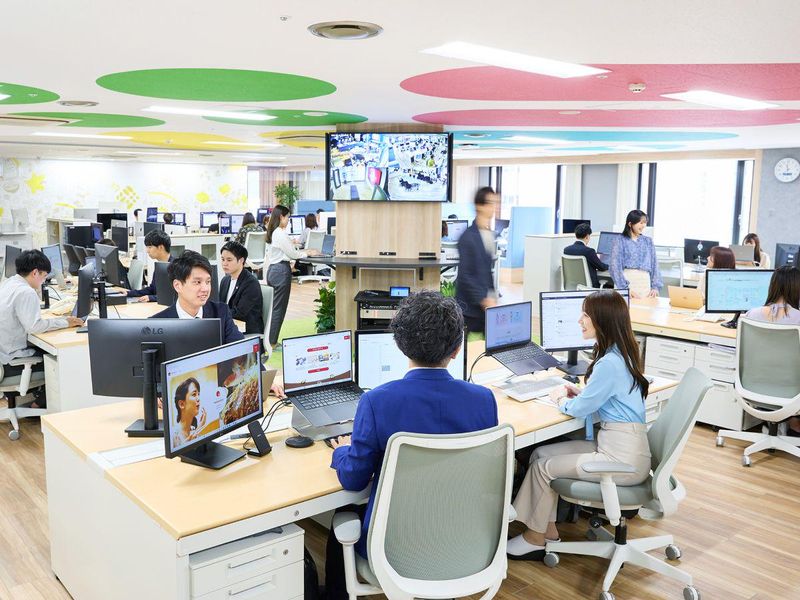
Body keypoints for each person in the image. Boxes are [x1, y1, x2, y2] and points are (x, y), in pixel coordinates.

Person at [325, 290, 498, 599]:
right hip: (464, 544)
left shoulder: (377, 402)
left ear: (399, 344)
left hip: (394, 555)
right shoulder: (483, 400)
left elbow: (353, 479)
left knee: (346, 511)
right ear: (458, 348)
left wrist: (341, 451)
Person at [508, 290, 651, 560]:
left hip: (620, 459)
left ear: (602, 320)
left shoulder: (609, 363)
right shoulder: (622, 353)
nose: (580, 321)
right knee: (539, 454)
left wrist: (560, 398)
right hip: (622, 446)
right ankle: (547, 531)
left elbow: (580, 409)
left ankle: (534, 538)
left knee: (542, 468)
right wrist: (583, 394)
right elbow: (604, 397)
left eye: (586, 315)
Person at [0, 250, 83, 408]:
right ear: (35, 272)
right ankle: (40, 404)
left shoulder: (9, 283)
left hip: (3, 355)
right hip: (11, 363)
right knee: (64, 361)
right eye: (44, 276)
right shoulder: (26, 292)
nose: (44, 281)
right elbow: (34, 327)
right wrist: (65, 322)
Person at [151, 251, 242, 344]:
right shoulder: (156, 324)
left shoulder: (221, 312)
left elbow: (240, 348)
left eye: (208, 282)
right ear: (178, 285)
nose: (205, 289)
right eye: (197, 282)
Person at [265, 205, 319, 348]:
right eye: (287, 217)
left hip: (274, 271)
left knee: (274, 307)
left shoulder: (274, 232)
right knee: (279, 309)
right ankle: (271, 341)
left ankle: (269, 339)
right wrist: (307, 253)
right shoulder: (279, 233)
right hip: (281, 271)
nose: (288, 220)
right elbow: (293, 254)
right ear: (281, 217)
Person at [455, 186, 498, 333]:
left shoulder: (488, 234)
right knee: (466, 346)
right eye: (490, 203)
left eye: (495, 203)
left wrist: (493, 296)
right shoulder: (467, 237)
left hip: (485, 306)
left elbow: (486, 272)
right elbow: (465, 276)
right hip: (469, 308)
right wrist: (483, 300)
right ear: (479, 205)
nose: (494, 207)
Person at [609, 209, 662, 298]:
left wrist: (655, 287)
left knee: (645, 306)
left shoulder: (648, 241)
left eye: (645, 223)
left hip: (645, 285)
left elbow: (654, 265)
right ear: (630, 224)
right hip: (627, 283)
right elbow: (614, 267)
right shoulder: (620, 240)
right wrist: (625, 288)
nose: (643, 225)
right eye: (641, 223)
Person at [219, 241, 264, 335]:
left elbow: (239, 313)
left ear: (241, 260)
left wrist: (218, 314)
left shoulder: (251, 283)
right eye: (223, 259)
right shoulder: (225, 280)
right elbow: (221, 305)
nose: (224, 263)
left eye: (229, 260)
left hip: (246, 330)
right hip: (228, 325)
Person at [126, 229, 172, 302]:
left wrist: (152, 298)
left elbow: (175, 295)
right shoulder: (160, 266)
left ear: (161, 247)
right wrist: (129, 293)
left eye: (150, 247)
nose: (147, 251)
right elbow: (152, 289)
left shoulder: (175, 267)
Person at [563, 223, 609, 288]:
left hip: (573, 287)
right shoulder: (589, 251)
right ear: (587, 236)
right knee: (610, 286)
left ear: (576, 235)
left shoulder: (566, 250)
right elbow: (602, 267)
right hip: (590, 287)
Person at [171, 377, 206, 448]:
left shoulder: (192, 429)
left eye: (198, 394)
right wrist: (200, 427)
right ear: (181, 404)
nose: (198, 399)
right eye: (194, 394)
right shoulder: (174, 436)